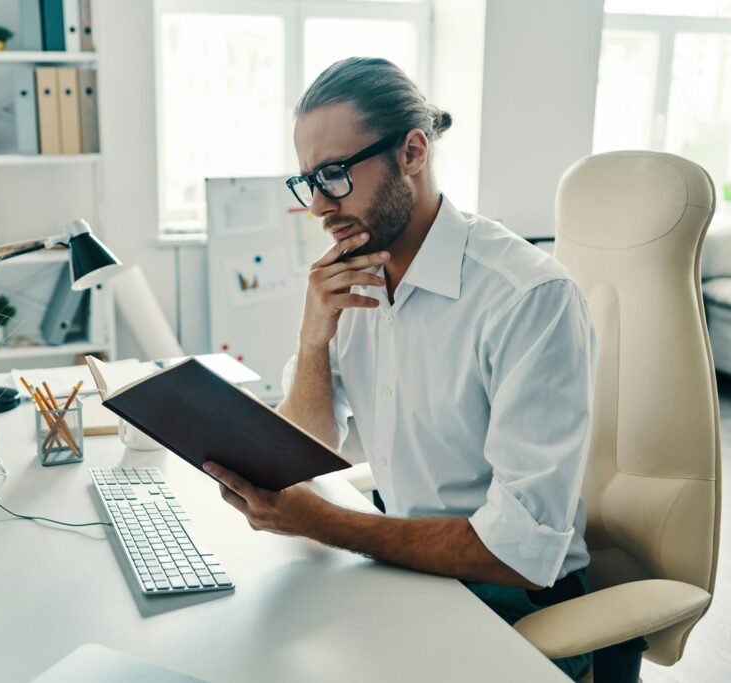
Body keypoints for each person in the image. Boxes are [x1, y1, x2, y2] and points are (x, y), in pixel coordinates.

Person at [202, 57, 595, 679]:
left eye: (334, 175)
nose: (319, 207)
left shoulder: (527, 297)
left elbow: (519, 551)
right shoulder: (352, 280)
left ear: (413, 152)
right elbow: (303, 452)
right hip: (404, 572)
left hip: (509, 608)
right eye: (307, 181)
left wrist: (326, 523)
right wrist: (312, 340)